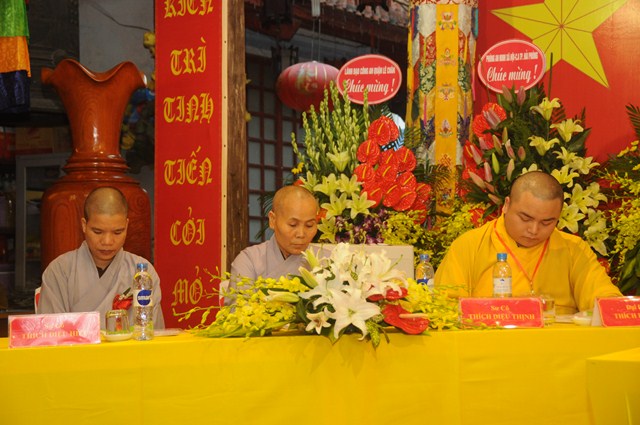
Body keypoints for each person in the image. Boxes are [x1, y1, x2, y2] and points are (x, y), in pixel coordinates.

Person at [434, 171, 622, 315]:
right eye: (525, 218)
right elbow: (444, 307)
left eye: (547, 222)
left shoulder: (573, 249)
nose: (534, 230)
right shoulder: (470, 245)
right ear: (506, 205)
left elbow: (606, 300)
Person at [39, 186, 165, 329]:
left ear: (126, 226)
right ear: (84, 225)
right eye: (98, 232)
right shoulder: (59, 271)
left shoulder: (142, 272)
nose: (107, 241)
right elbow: (50, 334)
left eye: (118, 232)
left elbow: (153, 333)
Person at [230, 185, 319, 281]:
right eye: (293, 225)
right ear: (272, 220)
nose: (301, 234)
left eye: (309, 225)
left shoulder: (327, 261)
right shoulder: (249, 261)